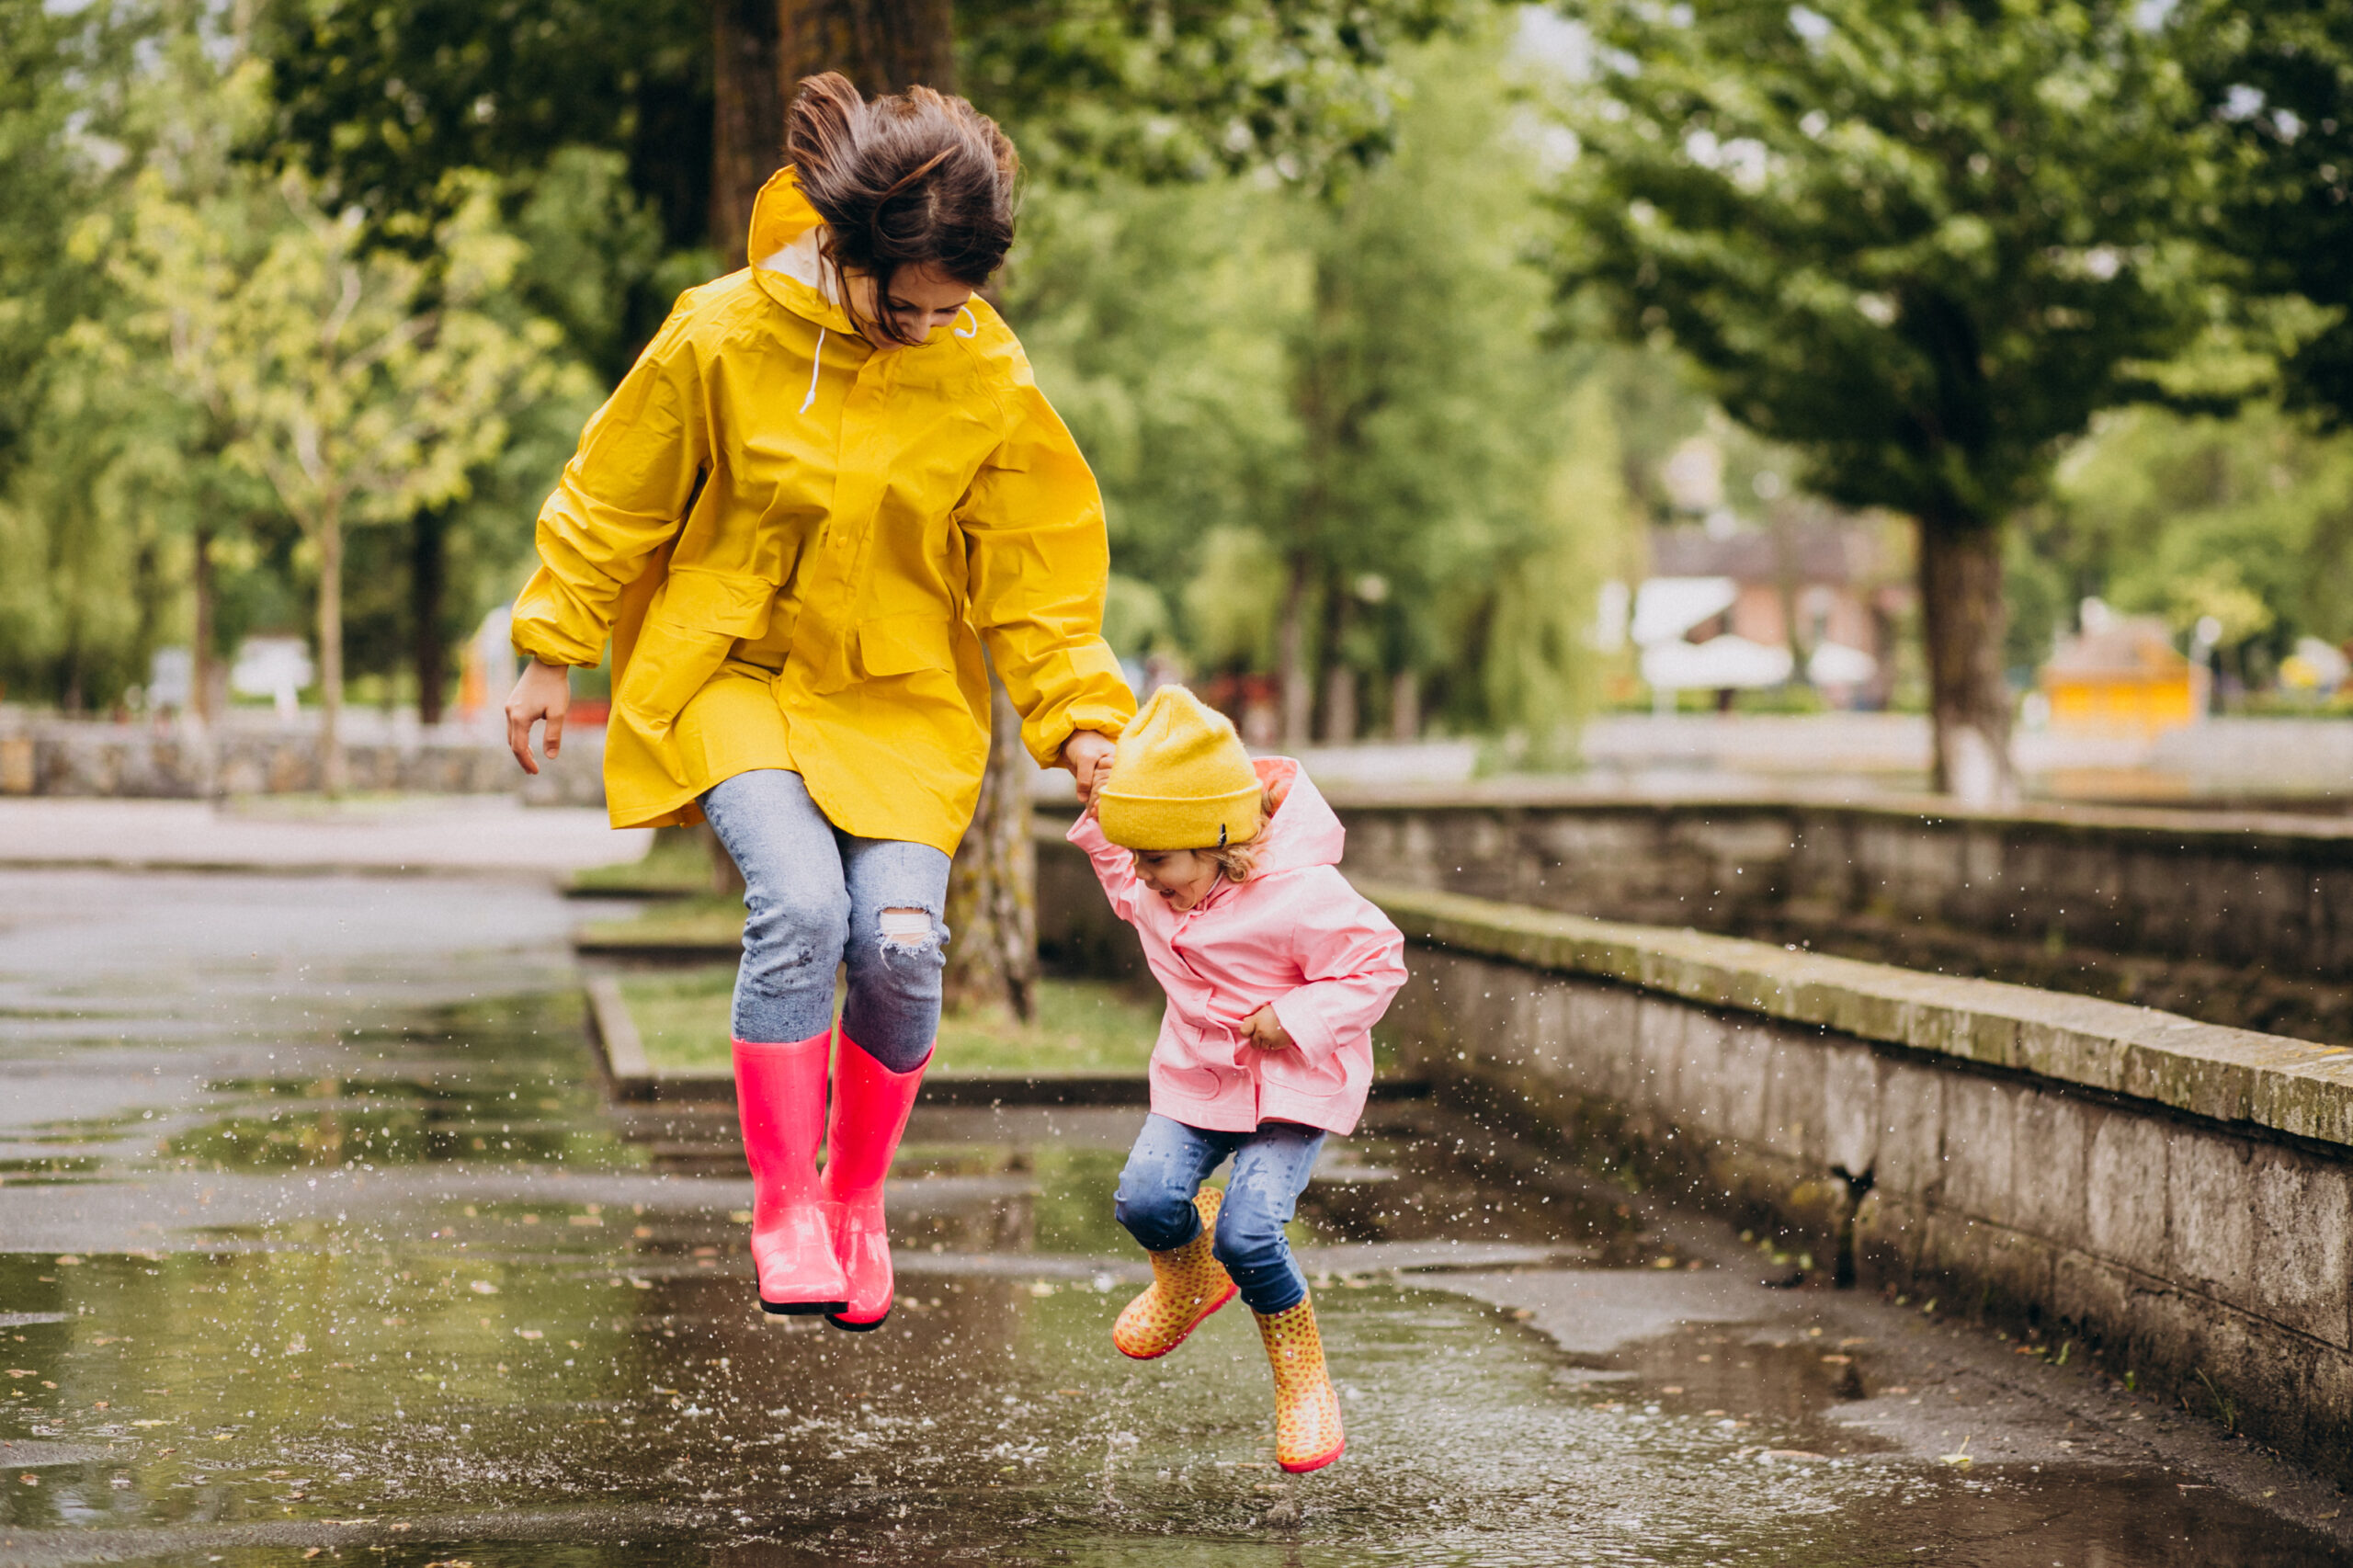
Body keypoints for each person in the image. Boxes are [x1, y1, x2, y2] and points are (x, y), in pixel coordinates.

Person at [504, 74, 1131, 1329]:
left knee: (898, 944)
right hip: (735, 675)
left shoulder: (982, 368)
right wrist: (550, 644)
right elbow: (617, 488)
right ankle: (785, 1202)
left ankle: (856, 1200)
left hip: (900, 698)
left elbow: (1034, 565)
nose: (928, 330)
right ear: (845, 252)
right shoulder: (721, 332)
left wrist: (1081, 716)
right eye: (906, 308)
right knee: (798, 907)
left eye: (954, 309)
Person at [1067, 685, 1407, 1473]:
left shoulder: (1301, 892)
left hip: (1292, 1082)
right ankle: (1188, 1275)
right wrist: (1096, 768)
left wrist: (1296, 1017)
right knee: (1145, 1199)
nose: (1141, 877)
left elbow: (1378, 964)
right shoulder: (1153, 871)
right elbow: (1113, 841)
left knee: (1250, 1230)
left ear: (1215, 840)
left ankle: (1302, 1382)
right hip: (1200, 1077)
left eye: (1156, 859)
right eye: (1139, 858)